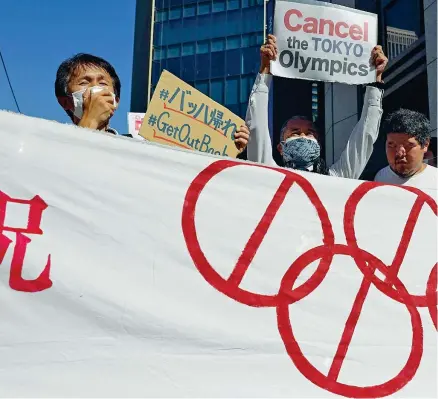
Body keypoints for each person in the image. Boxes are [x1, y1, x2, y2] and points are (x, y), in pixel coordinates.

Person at [246, 34, 388, 179]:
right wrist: (265, 71)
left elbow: (364, 137)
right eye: (294, 132)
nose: (303, 137)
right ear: (280, 147)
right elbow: (257, 128)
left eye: (309, 133)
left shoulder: (336, 178)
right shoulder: (268, 175)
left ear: (319, 145)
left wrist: (374, 79)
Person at [55, 53, 127, 135]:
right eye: (83, 83)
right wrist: (91, 120)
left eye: (103, 83)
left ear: (116, 101)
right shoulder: (53, 142)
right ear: (65, 102)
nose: (95, 88)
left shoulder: (133, 145)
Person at [374, 109, 437, 190]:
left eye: (409, 145)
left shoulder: (435, 180)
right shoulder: (380, 178)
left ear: (425, 145)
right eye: (391, 145)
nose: (399, 153)